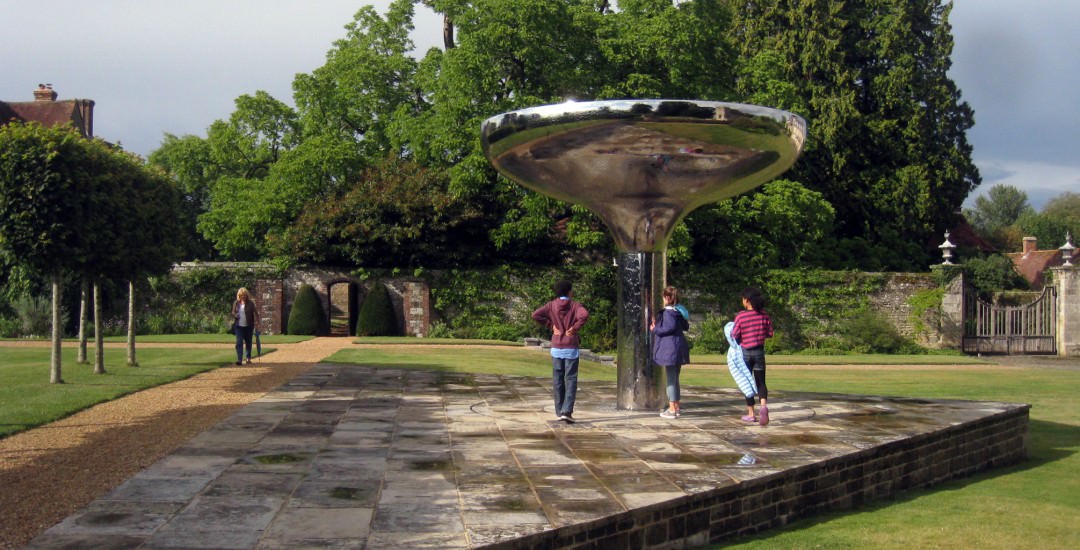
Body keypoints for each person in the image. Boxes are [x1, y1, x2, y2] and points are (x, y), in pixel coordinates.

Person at [531, 280, 589, 423]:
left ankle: (559, 410)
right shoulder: (575, 306)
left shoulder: (551, 305)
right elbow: (585, 315)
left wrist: (551, 325)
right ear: (569, 291)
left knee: (558, 379)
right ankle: (566, 411)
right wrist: (574, 328)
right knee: (570, 379)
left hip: (556, 346)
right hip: (570, 347)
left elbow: (535, 315)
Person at [731, 287, 773, 426]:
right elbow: (770, 333)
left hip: (745, 353)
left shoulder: (741, 316)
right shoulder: (764, 315)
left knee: (747, 382)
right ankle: (763, 406)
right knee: (761, 381)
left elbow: (734, 334)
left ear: (747, 301)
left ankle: (750, 413)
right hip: (759, 352)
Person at [652, 286, 690, 419]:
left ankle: (672, 408)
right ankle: (677, 406)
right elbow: (685, 326)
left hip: (670, 349)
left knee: (671, 380)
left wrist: (655, 329)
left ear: (667, 298)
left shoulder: (668, 313)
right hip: (679, 347)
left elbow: (668, 327)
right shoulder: (679, 312)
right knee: (675, 378)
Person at [231, 287, 260, 365]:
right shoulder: (236, 303)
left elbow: (256, 314)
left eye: (244, 295)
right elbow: (233, 312)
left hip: (248, 326)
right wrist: (235, 315)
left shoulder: (251, 303)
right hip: (239, 326)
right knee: (239, 342)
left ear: (247, 295)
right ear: (239, 296)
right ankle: (239, 359)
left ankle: (248, 358)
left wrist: (257, 323)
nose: (243, 297)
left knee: (248, 342)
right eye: (241, 295)